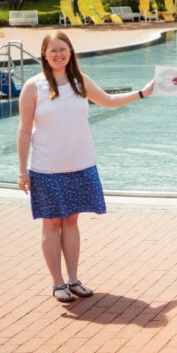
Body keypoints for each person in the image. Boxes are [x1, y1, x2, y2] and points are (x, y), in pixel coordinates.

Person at [17, 30, 154, 303]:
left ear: (70, 52)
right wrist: (22, 170)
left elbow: (110, 101)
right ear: (44, 54)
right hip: (46, 168)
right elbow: (24, 131)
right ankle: (57, 283)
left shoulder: (80, 81)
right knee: (51, 222)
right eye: (53, 50)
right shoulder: (34, 86)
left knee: (71, 221)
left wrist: (143, 92)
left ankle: (74, 279)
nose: (58, 54)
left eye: (62, 49)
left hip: (80, 164)